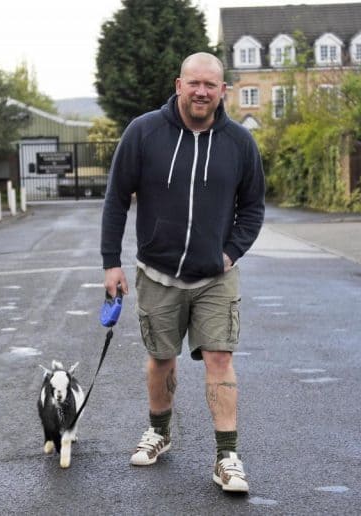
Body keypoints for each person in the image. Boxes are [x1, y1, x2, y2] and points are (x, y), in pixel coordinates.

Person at [100, 52, 265, 493]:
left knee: (220, 356)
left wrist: (229, 254)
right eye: (194, 83)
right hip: (157, 273)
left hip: (215, 275)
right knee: (160, 358)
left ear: (223, 91)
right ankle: (159, 431)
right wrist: (110, 263)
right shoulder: (144, 133)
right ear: (179, 85)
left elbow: (252, 208)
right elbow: (117, 198)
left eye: (211, 85)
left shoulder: (240, 143)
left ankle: (227, 455)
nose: (201, 91)